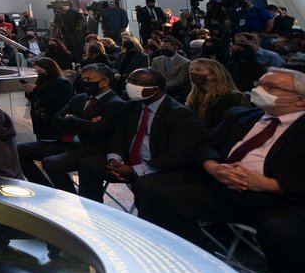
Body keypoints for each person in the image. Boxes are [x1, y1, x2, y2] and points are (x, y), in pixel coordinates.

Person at [143, 67, 305, 273]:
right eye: (259, 83)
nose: (259, 90)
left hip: (277, 200)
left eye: (271, 87)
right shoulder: (242, 115)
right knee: (158, 194)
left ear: (300, 99)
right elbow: (206, 145)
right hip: (223, 186)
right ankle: (202, 269)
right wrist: (213, 167)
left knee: (282, 233)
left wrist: (269, 184)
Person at [77, 68, 206, 215]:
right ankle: (94, 213)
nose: (130, 86)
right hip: (128, 162)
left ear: (155, 90)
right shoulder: (130, 107)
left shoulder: (181, 115)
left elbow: (178, 156)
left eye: (137, 83)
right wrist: (114, 160)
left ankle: (147, 227)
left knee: (144, 185)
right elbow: (118, 138)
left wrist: (136, 170)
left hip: (160, 168)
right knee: (88, 165)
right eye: (130, 81)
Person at [19, 64, 124, 194]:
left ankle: (70, 198)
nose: (84, 82)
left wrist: (72, 120)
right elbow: (56, 120)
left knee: (51, 163)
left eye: (89, 80)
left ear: (105, 82)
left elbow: (98, 130)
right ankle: (46, 189)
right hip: (66, 142)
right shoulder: (79, 98)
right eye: (83, 79)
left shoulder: (116, 103)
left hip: (90, 149)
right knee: (20, 150)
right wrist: (84, 123)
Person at [184, 58, 248, 131]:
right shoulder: (195, 96)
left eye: (198, 70)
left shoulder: (234, 97)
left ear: (214, 74)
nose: (192, 72)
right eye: (191, 70)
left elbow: (236, 126)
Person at [22, 57, 73, 140]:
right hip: (39, 123)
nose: (39, 74)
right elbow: (35, 99)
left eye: (41, 71)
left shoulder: (62, 83)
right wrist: (29, 92)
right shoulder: (41, 81)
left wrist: (36, 90)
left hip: (52, 123)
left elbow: (59, 101)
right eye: (37, 71)